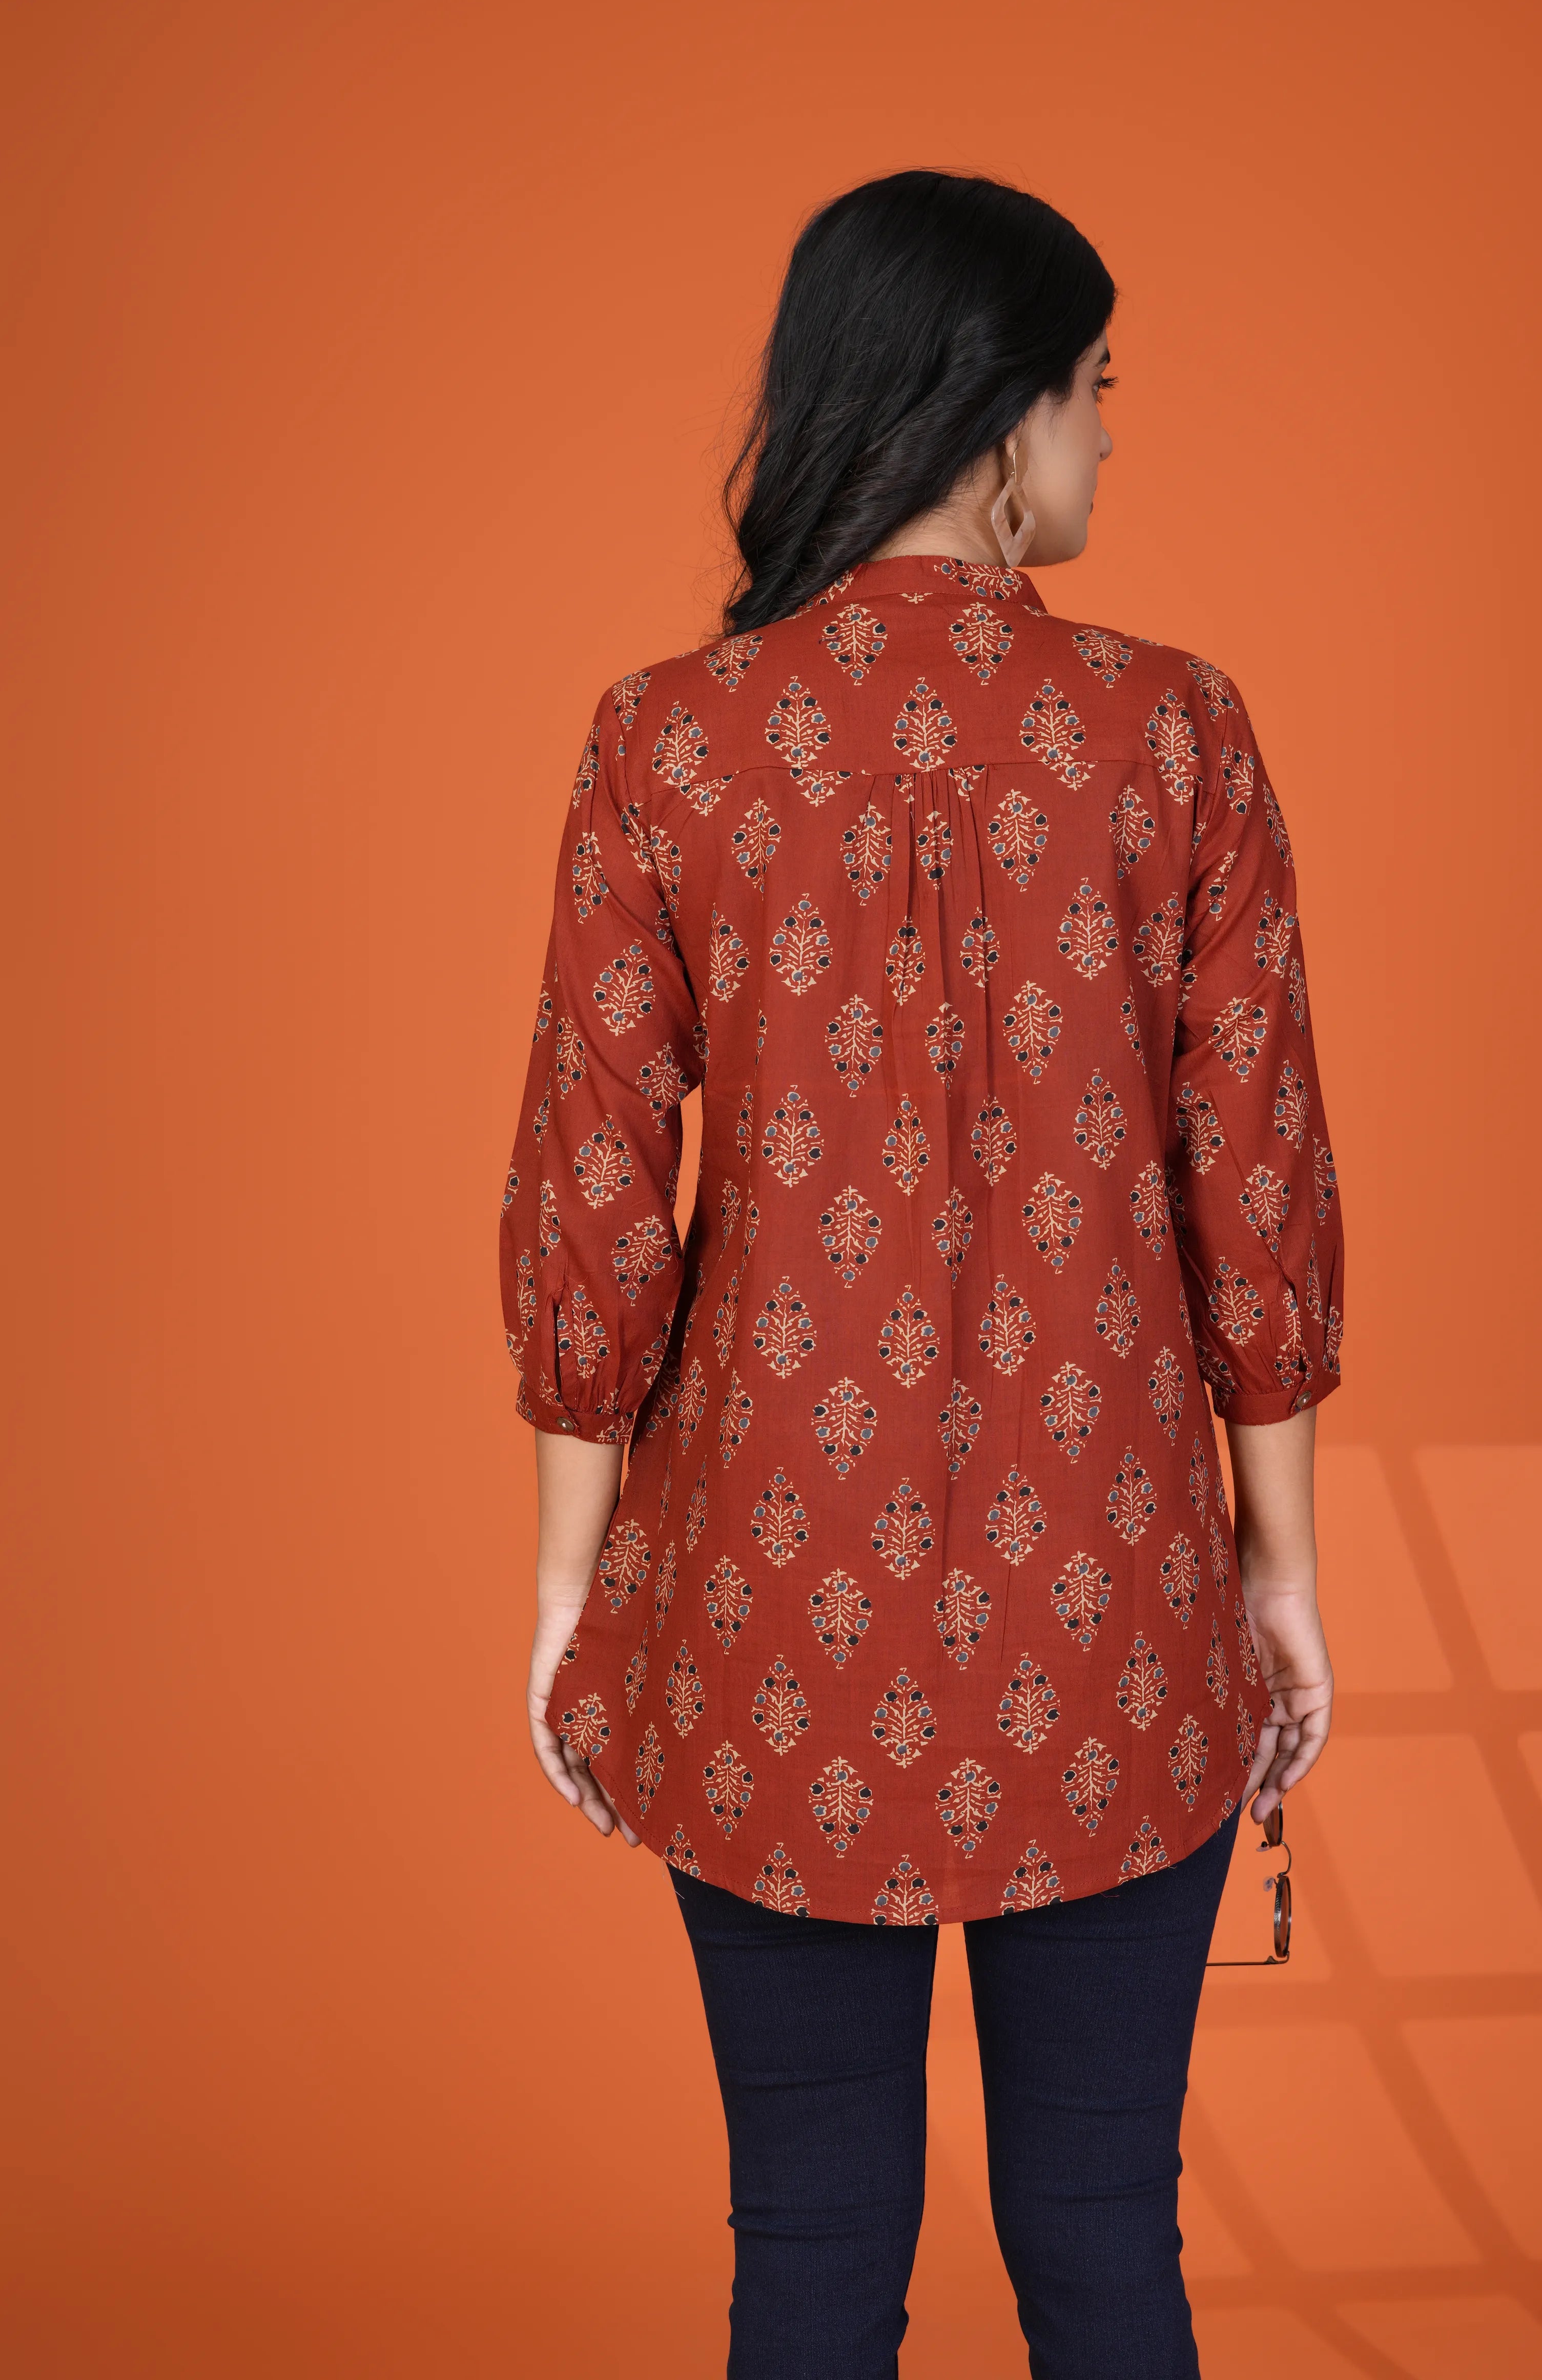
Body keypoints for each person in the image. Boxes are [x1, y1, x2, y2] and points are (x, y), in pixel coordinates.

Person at [498, 169, 1342, 2380]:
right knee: (1104, 2238)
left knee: (808, 2257)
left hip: (764, 1604)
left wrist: (573, 1596)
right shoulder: (1177, 729)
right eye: (1097, 391)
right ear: (998, 416)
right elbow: (1254, 1200)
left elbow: (595, 1201)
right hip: (1118, 1608)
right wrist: (1281, 1580)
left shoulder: (665, 739)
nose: (1109, 438)